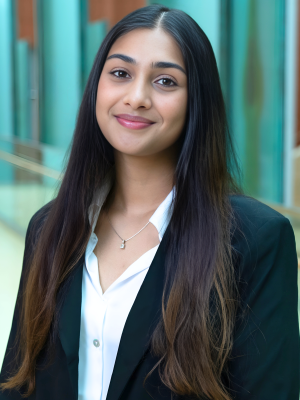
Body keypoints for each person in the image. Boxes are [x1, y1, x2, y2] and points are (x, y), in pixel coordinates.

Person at [0, 4, 299, 400]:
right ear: (97, 86)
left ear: (197, 100)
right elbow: (20, 383)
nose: (137, 97)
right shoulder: (49, 227)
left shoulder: (255, 240)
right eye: (120, 74)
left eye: (165, 81)